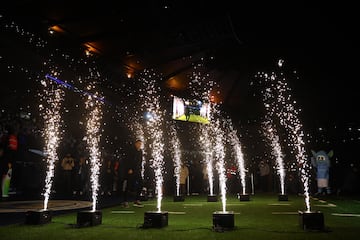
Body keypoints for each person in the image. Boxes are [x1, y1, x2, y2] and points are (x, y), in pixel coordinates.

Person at [122, 139, 144, 207]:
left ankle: (137, 200)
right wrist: (129, 168)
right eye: (138, 144)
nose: (139, 145)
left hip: (137, 170)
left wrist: (140, 168)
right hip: (131, 170)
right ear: (135, 144)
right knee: (129, 185)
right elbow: (128, 160)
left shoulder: (140, 151)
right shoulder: (131, 150)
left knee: (141, 183)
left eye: (140, 144)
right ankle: (125, 201)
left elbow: (140, 161)